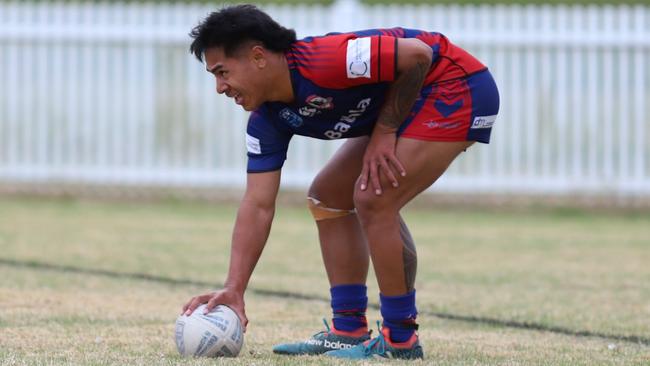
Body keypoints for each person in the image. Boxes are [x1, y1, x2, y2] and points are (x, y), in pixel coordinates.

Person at [182, 4, 499, 360]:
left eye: (222, 72)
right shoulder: (266, 121)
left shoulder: (327, 60)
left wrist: (385, 130)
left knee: (372, 198)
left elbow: (417, 55)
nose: (220, 88)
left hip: (456, 86)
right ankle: (348, 329)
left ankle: (400, 339)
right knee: (328, 196)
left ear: (258, 56)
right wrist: (234, 288)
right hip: (410, 103)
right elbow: (257, 204)